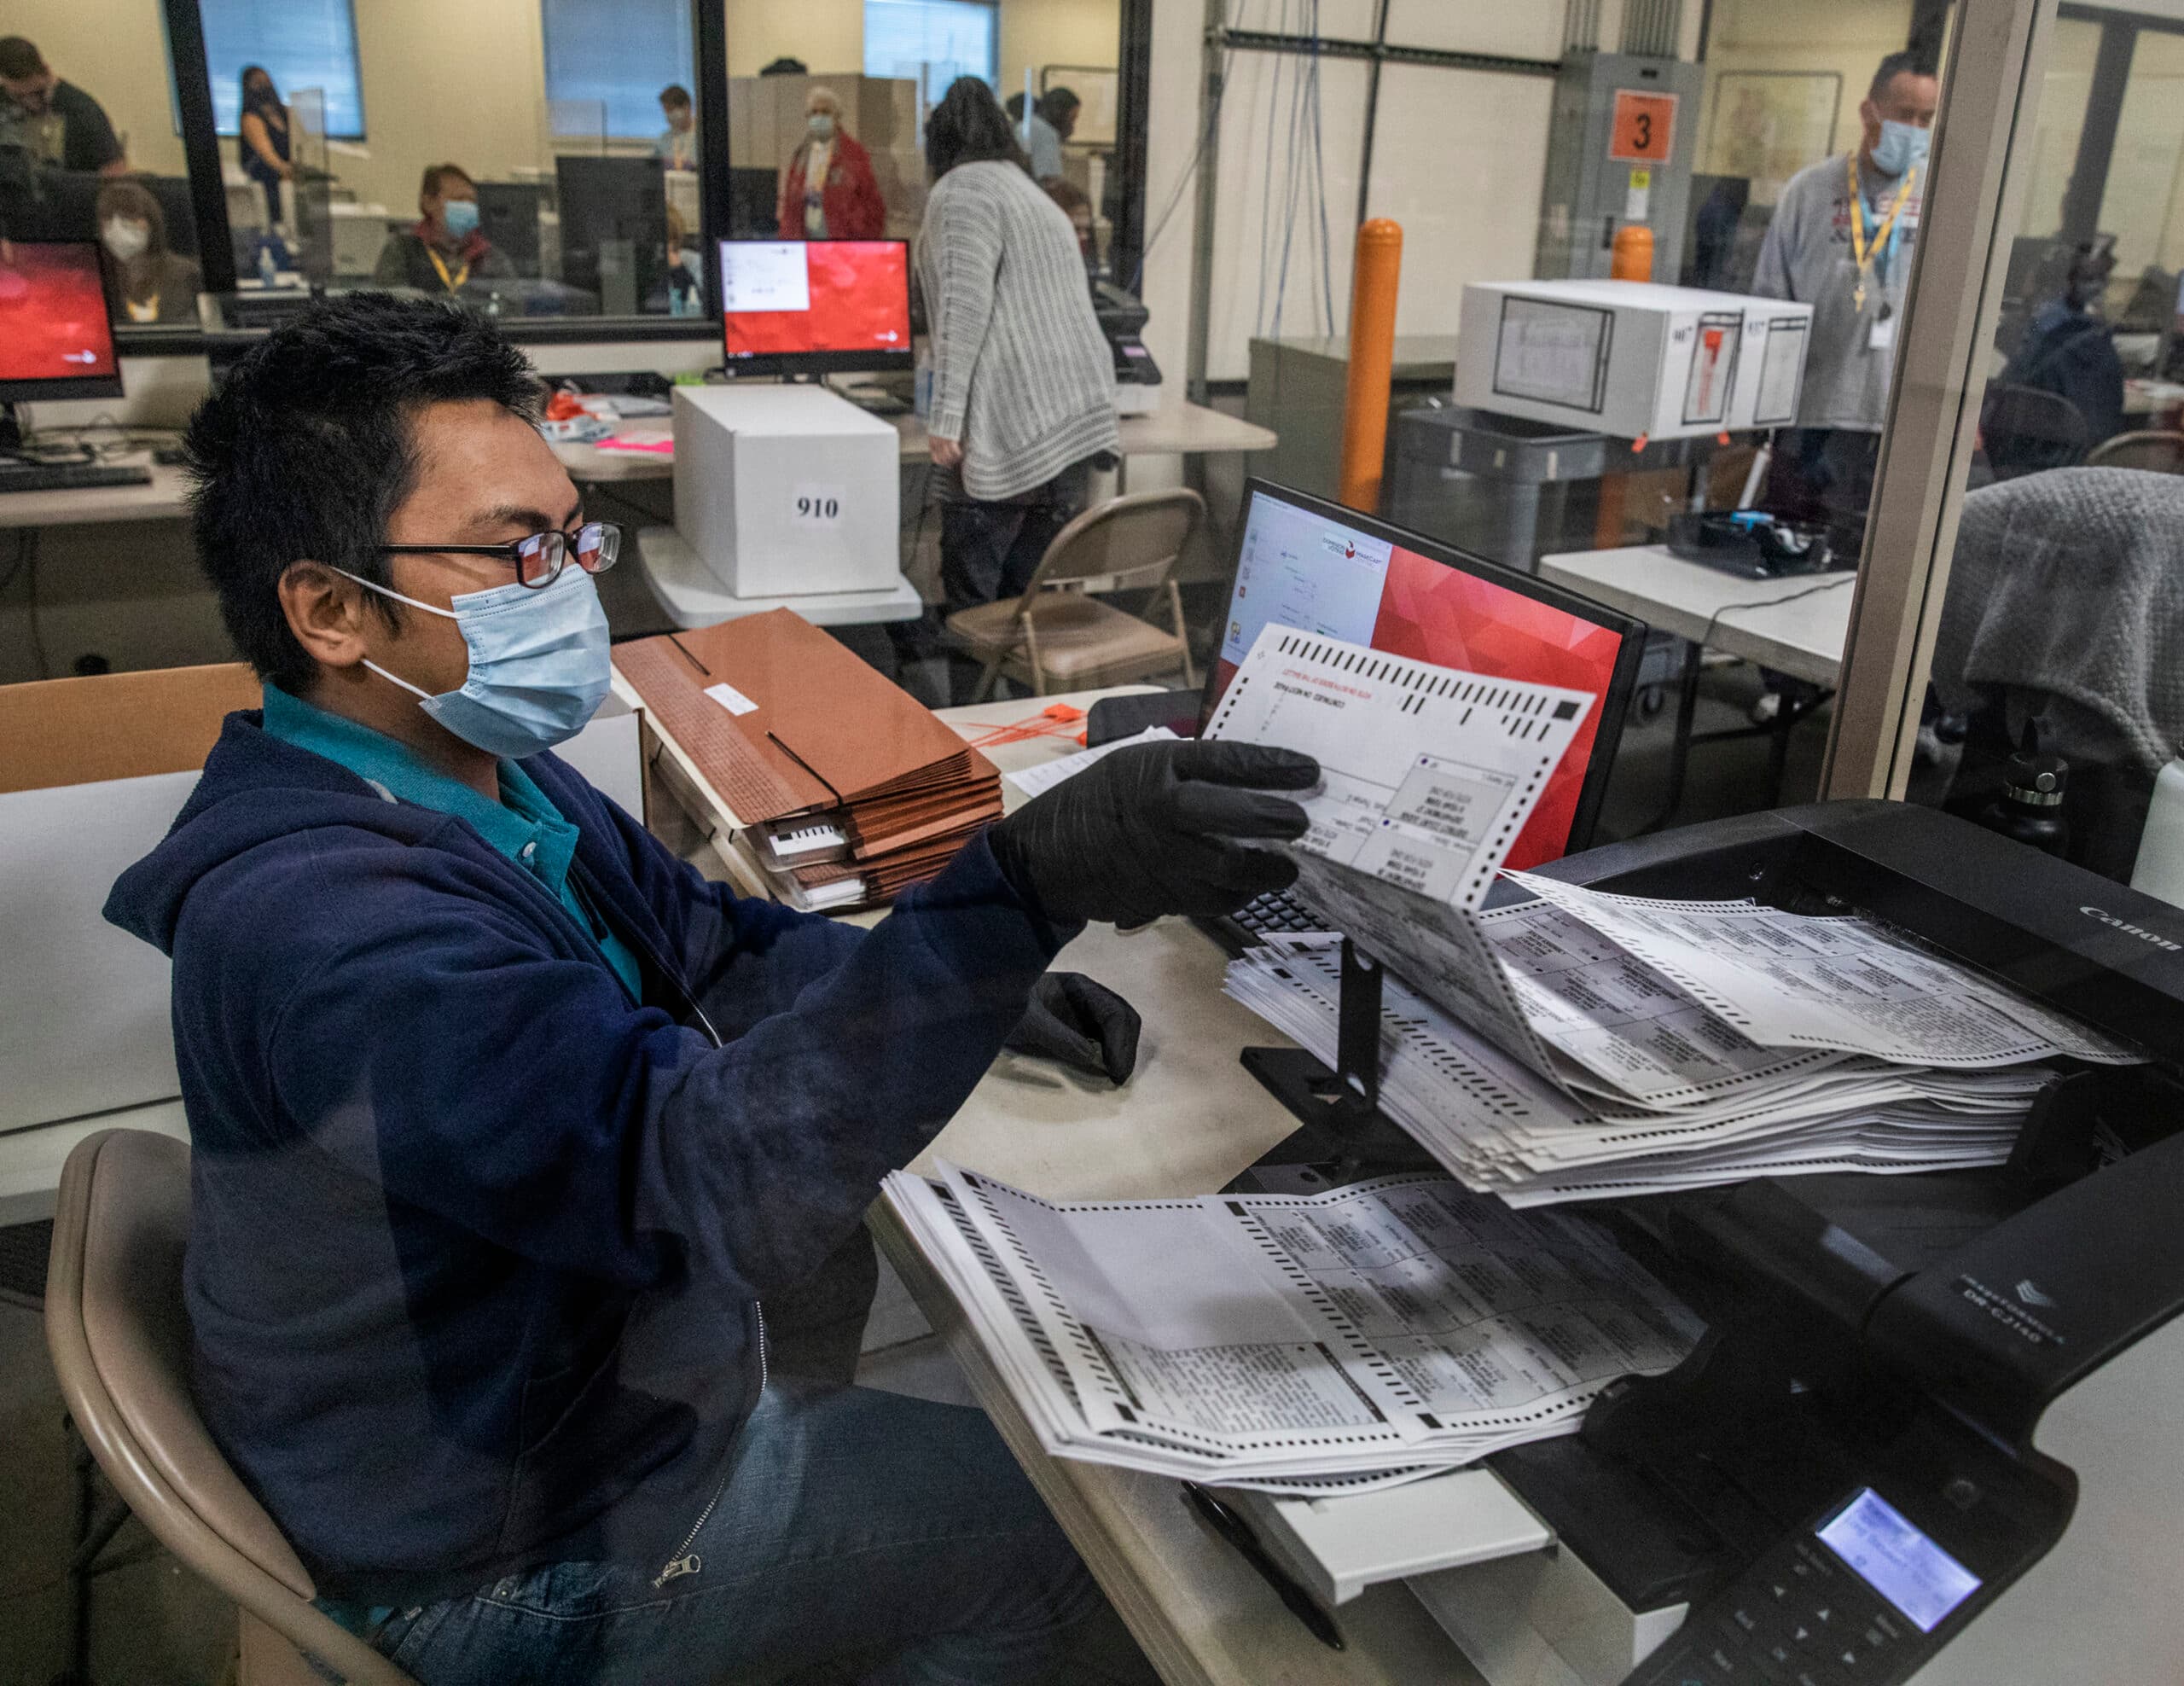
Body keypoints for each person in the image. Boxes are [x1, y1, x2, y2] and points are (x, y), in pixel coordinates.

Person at [103, 292, 1316, 1685]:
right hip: (505, 1551)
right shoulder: (337, 927)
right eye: (517, 552)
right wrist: (1015, 892)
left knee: (890, 1316)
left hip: (525, 1397)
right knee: (1089, 1532)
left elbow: (716, 947)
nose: (574, 589)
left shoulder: (468, 778)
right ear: (326, 608)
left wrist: (970, 978)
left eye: (575, 539)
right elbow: (698, 1197)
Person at [1750, 48, 1937, 722]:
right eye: (1905, 113)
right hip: (1813, 408)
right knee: (1791, 548)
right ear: (1869, 111)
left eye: (1928, 118)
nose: (1916, 129)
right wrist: (1763, 406)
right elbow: (1770, 298)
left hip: (1897, 416)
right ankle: (1784, 683)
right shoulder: (1811, 191)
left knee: (1879, 570)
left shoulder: (1941, 195)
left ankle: (1871, 704)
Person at [917, 78, 1118, 669]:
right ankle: (1013, 711)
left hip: (1012, 421)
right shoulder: (1031, 193)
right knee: (1024, 604)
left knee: (973, 606)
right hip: (1070, 424)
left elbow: (964, 307)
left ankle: (970, 717)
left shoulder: (962, 191)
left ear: (940, 144)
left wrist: (946, 418)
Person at [374, 162, 512, 294]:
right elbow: (388, 302)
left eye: (472, 201)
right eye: (458, 199)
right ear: (429, 203)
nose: (467, 207)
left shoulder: (489, 256)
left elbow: (510, 303)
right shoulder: (403, 251)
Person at [0, 36, 125, 176]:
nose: (31, 103)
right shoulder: (3, 102)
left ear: (48, 73)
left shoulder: (82, 109)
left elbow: (115, 173)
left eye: (38, 93)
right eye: (19, 97)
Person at [776, 85, 885, 240]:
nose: (819, 117)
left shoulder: (853, 154)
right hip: (806, 240)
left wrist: (864, 242)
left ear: (836, 117)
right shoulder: (801, 156)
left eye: (825, 112)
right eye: (814, 112)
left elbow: (873, 206)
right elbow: (790, 206)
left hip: (844, 242)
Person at [95, 177, 200, 325]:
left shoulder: (186, 274)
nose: (117, 229)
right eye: (108, 220)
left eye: (129, 218)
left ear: (151, 221)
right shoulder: (95, 279)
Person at [237, 65, 292, 226]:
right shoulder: (251, 116)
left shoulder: (282, 112)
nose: (264, 86)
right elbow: (265, 151)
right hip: (265, 172)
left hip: (285, 169)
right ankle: (276, 226)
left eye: (266, 81)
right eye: (257, 82)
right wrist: (284, 168)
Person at [1031, 87, 1079, 186]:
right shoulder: (1046, 133)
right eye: (1072, 118)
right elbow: (1051, 181)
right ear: (1060, 113)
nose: (1072, 125)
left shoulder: (1030, 124)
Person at [654, 83, 695, 171]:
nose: (668, 115)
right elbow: (652, 166)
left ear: (686, 107)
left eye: (671, 109)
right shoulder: (664, 139)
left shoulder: (701, 136)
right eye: (666, 111)